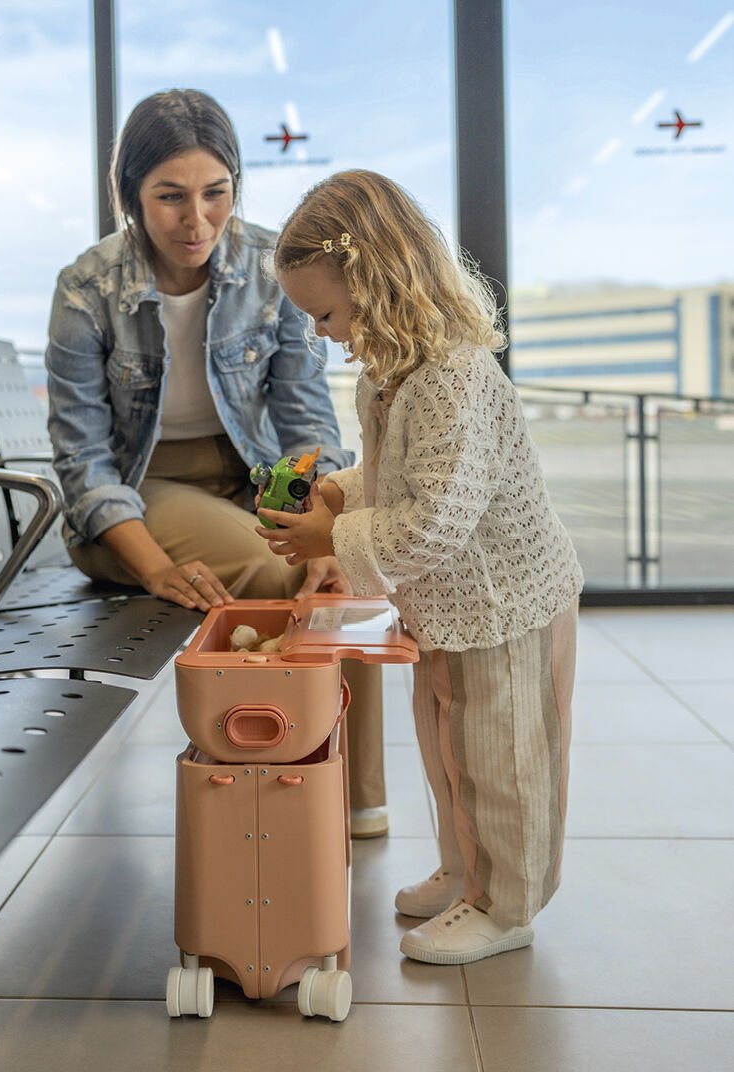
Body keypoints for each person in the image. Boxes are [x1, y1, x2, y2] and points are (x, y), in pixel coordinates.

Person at [256, 169, 584, 964]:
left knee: (503, 760)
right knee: (448, 750)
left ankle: (506, 905)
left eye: (327, 313)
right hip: (451, 606)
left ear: (379, 279)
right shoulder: (394, 374)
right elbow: (402, 478)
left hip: (505, 606)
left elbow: (435, 519)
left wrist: (330, 543)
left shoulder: (453, 377)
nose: (324, 332)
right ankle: (467, 869)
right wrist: (337, 487)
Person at [44, 90, 387, 836]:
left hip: (252, 473)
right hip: (140, 491)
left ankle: (355, 794)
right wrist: (151, 565)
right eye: (169, 198)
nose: (196, 221)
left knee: (342, 571)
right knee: (280, 575)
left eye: (215, 194)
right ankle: (278, 773)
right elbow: (84, 460)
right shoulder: (88, 288)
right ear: (130, 195)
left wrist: (326, 531)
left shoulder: (272, 270)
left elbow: (305, 425)